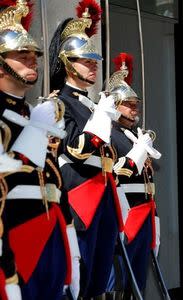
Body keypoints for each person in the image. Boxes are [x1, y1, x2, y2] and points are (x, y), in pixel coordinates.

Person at [49, 0, 124, 297]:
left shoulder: (93, 104)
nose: (93, 65)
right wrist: (102, 118)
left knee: (99, 277)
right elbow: (76, 148)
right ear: (68, 62)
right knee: (79, 277)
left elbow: (111, 155)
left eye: (94, 60)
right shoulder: (59, 103)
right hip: (80, 196)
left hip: (104, 195)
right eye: (86, 60)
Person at [0, 1, 72, 299]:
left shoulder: (36, 114)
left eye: (35, 56)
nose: (33, 61)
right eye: (21, 55)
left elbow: (55, 180)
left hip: (50, 235)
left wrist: (71, 247)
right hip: (16, 240)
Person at [106, 52, 161, 297]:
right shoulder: (109, 134)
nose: (133, 108)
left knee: (138, 275)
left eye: (135, 104)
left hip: (145, 210)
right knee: (121, 275)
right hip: (126, 210)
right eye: (127, 104)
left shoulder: (135, 133)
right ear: (114, 105)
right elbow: (117, 172)